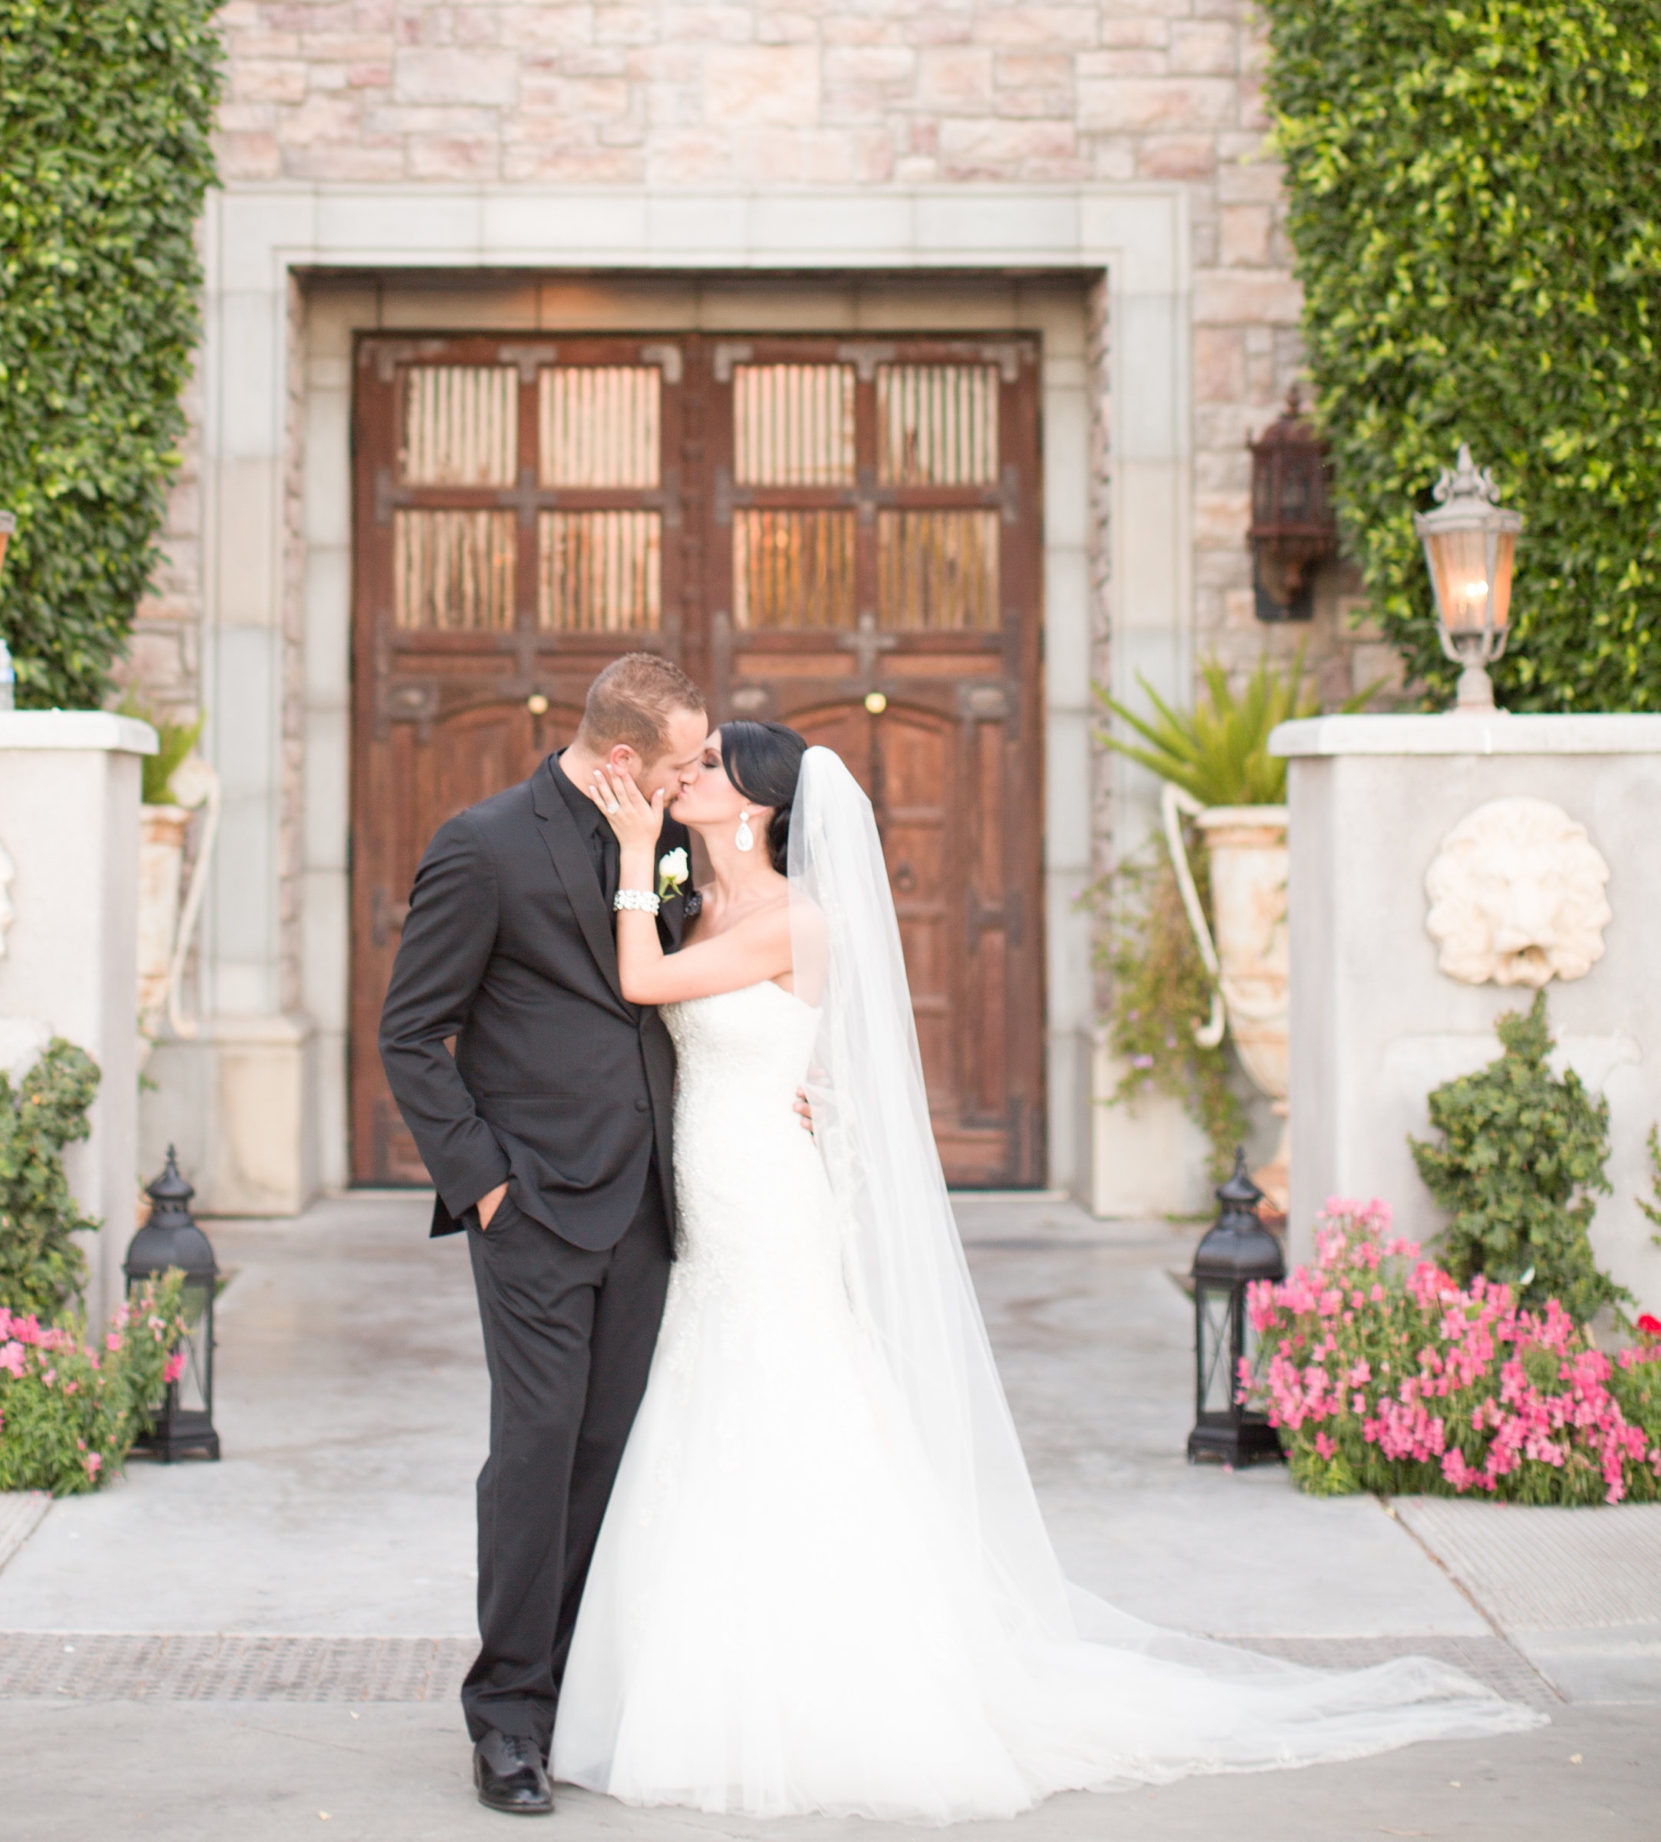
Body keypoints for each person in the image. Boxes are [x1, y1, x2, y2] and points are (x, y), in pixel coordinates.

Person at [551, 725, 1539, 1823]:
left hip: (765, 1204)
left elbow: (644, 980)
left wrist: (637, 856)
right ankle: (692, 1676)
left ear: (754, 807)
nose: (678, 778)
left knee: (775, 1399)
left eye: (703, 769)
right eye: (680, 769)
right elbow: (807, 1056)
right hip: (709, 1185)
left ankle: (814, 1686)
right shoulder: (708, 903)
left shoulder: (791, 916)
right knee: (706, 1404)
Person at [377, 652, 708, 1817]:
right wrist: (484, 1188)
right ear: (621, 758)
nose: (689, 783)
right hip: (534, 1207)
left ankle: (575, 1695)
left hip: (651, 1208)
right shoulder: (482, 843)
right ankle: (506, 1717)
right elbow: (411, 1033)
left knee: (607, 1456)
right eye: (677, 765)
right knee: (532, 1456)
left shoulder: (661, 841)